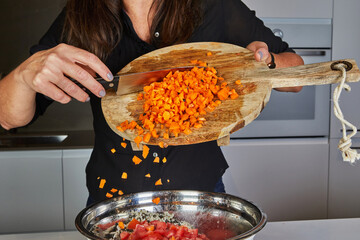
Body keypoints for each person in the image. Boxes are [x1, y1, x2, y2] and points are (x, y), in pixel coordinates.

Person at [0, 0, 303, 205]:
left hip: (200, 196)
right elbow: (8, 118)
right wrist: (24, 76)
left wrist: (266, 62)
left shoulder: (215, 6)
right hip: (113, 201)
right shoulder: (80, 17)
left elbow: (297, 75)